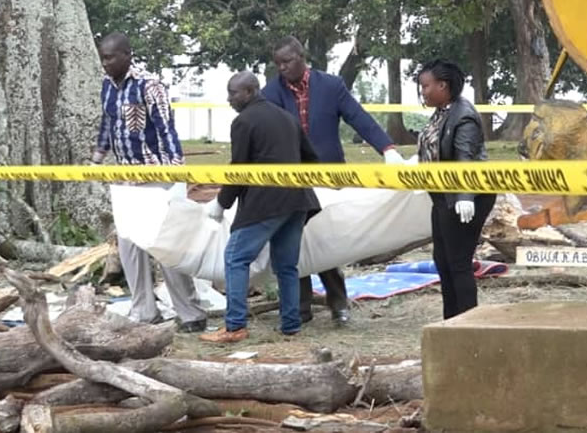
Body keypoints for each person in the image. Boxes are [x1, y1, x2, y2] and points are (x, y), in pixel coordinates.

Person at [262, 35, 405, 326]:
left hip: (328, 177)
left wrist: (387, 149)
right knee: (295, 242)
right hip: (291, 180)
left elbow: (359, 117)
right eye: (278, 64)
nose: (282, 68)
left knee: (326, 239)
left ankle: (338, 300)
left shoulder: (331, 86)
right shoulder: (270, 93)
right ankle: (300, 307)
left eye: (287, 62)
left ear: (302, 58)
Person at [92, 32, 208, 332]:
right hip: (125, 180)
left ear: (127, 55)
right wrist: (97, 158)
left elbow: (166, 128)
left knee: (167, 246)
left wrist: (174, 174)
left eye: (110, 58)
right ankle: (144, 311)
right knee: (130, 245)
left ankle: (191, 314)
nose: (105, 64)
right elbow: (107, 123)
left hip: (158, 179)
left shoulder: (149, 85)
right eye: (102, 58)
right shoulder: (107, 86)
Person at [200, 71, 321, 343]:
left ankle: (234, 327)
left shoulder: (244, 121)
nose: (229, 98)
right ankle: (291, 325)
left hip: (267, 203)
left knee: (235, 257)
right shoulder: (287, 117)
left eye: (234, 92)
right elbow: (312, 158)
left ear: (251, 91)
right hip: (298, 200)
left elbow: (240, 168)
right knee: (287, 266)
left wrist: (221, 203)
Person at [415, 58, 495, 320]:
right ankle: (451, 321)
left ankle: (468, 324)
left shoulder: (464, 116)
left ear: (443, 85)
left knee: (458, 263)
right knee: (443, 261)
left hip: (466, 197)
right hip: (443, 197)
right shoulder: (443, 112)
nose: (422, 91)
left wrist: (465, 197)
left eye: (426, 86)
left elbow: (465, 159)